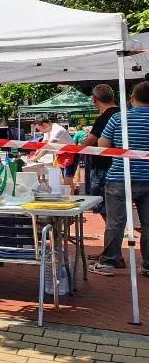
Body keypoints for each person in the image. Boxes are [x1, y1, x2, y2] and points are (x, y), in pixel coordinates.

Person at [91, 81, 149, 277]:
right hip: (148, 178)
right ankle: (148, 264)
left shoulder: (118, 118)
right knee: (148, 223)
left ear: (132, 98)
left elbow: (103, 145)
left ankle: (109, 262)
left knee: (115, 222)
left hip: (119, 176)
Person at [82, 84, 120, 225]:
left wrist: (83, 143)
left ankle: (112, 232)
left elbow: (89, 141)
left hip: (103, 167)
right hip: (123, 165)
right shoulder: (123, 113)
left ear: (94, 99)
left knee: (102, 204)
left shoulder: (104, 118)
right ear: (113, 97)